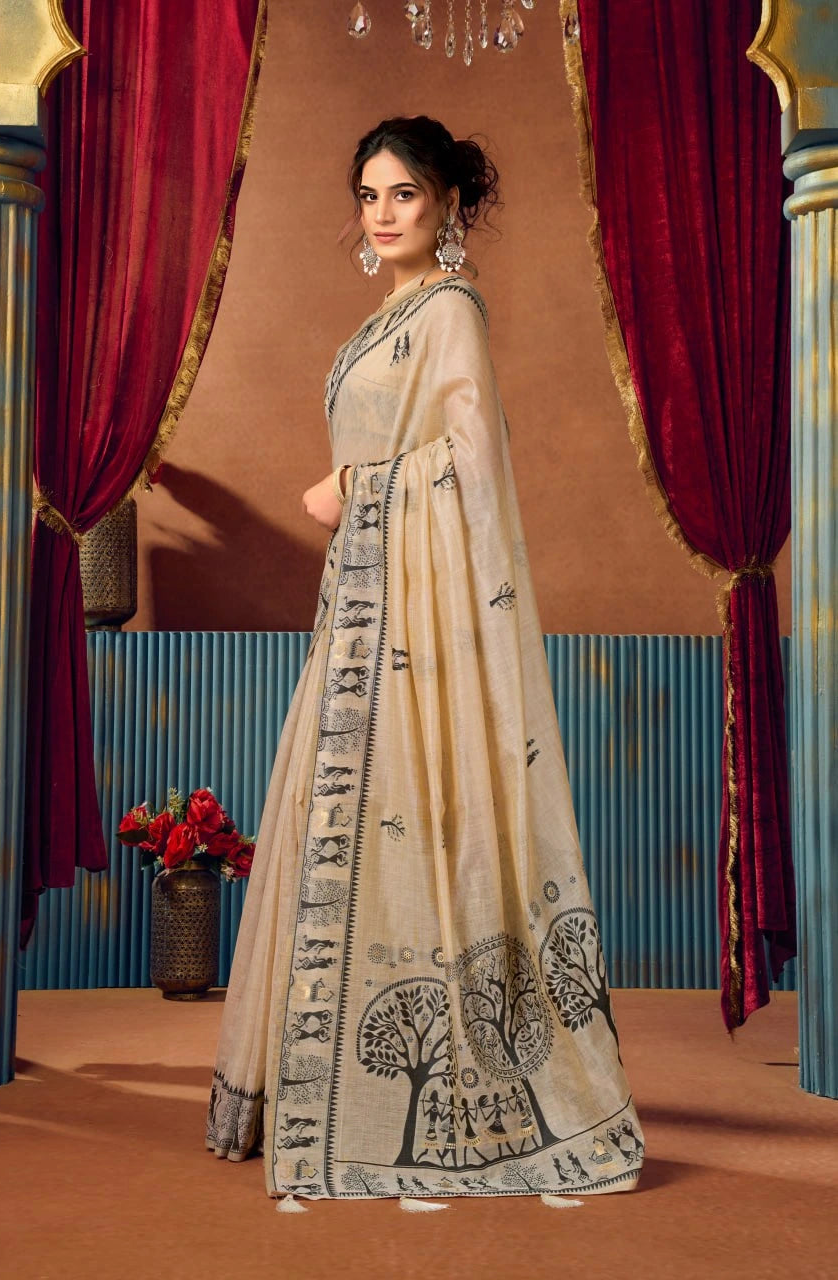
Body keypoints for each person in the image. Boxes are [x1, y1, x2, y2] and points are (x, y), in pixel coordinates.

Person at [205, 115, 645, 1206]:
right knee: (325, 823)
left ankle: (443, 1103)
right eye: (369, 194)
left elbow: (470, 462)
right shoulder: (388, 315)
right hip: (359, 619)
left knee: (414, 830)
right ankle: (302, 1086)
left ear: (447, 206)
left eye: (404, 192)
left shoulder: (447, 312)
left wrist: (352, 489)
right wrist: (356, 489)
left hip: (418, 628)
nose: (384, 212)